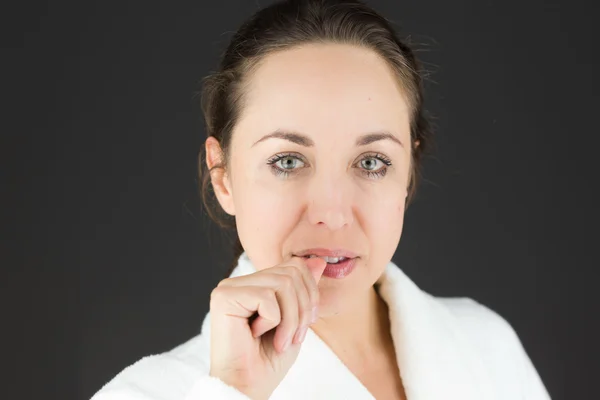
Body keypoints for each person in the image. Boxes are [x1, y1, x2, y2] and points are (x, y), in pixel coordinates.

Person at [91, 0, 551, 399]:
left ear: (408, 173)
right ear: (223, 175)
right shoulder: (147, 394)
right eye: (288, 161)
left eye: (371, 162)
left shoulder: (487, 349)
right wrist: (235, 391)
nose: (332, 215)